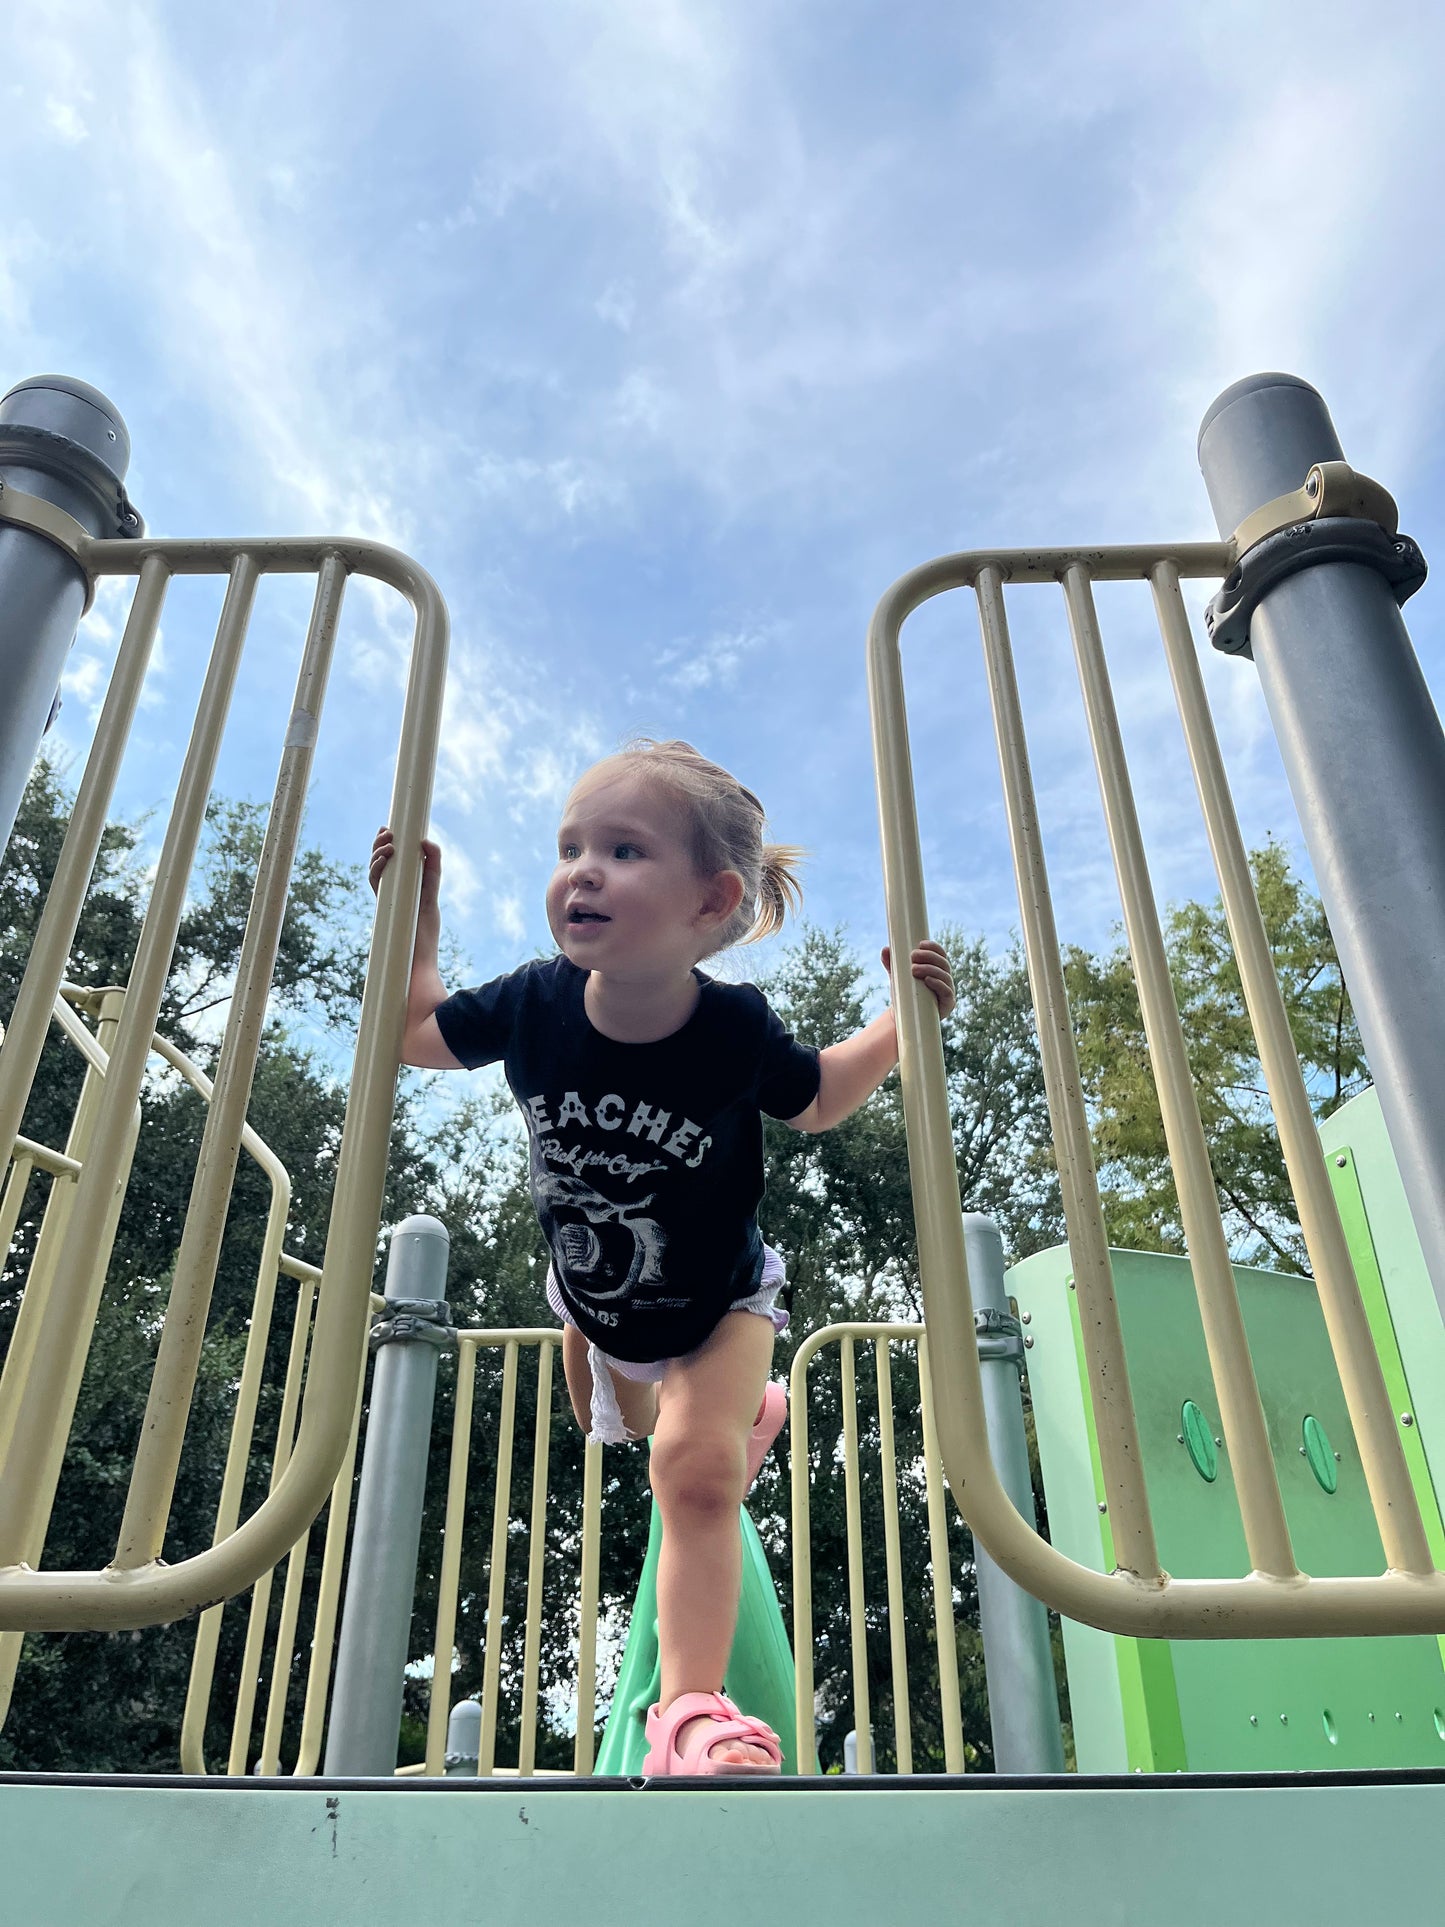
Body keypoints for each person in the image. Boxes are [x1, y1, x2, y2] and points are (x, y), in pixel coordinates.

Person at [369, 738, 954, 1776]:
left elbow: (817, 1099)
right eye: (569, 846)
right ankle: (736, 1422)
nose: (581, 869)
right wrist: (417, 911)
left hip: (720, 1302)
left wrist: (899, 1023)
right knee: (620, 1431)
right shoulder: (531, 1001)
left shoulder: (730, 1027)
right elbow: (412, 1030)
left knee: (688, 1471)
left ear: (709, 901)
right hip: (594, 1298)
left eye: (623, 849)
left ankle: (686, 1711)